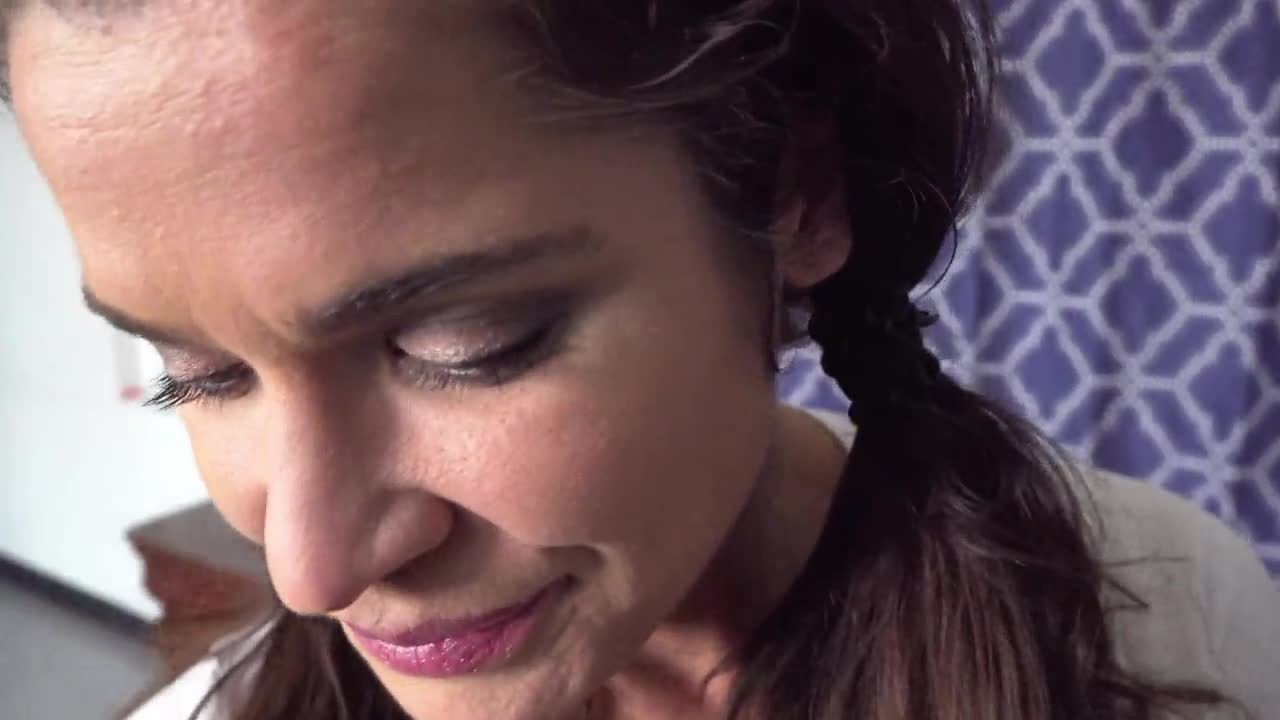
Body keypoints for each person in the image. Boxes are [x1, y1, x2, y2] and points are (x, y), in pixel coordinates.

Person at [2, 0, 1277, 718]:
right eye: (200, 374)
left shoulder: (1155, 631)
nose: (310, 568)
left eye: (467, 344)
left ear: (794, 192)